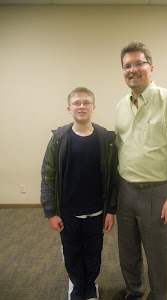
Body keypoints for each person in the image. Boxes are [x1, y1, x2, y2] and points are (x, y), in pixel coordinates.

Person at [113, 42, 167, 300]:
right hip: (125, 190)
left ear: (151, 68)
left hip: (156, 193)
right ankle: (135, 291)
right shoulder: (121, 105)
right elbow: (121, 147)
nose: (132, 70)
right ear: (122, 71)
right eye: (127, 66)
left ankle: (158, 296)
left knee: (157, 254)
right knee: (128, 251)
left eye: (139, 63)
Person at [41, 87, 118, 300]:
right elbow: (48, 176)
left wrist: (111, 210)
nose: (81, 106)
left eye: (86, 102)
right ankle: (76, 285)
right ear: (69, 108)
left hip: (96, 211)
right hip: (68, 212)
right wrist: (51, 212)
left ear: (94, 107)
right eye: (77, 103)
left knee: (93, 252)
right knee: (72, 251)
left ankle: (90, 285)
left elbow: (113, 179)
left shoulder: (106, 139)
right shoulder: (59, 138)